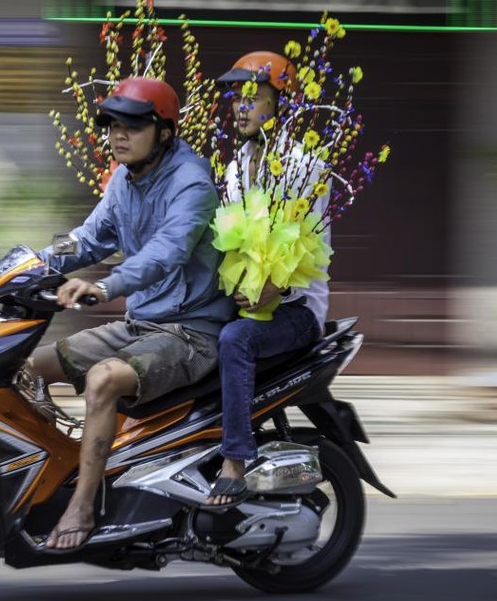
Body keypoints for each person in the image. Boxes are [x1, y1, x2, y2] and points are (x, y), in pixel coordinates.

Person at [29, 76, 235, 550]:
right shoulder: (124, 179)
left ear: (164, 131)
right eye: (112, 124)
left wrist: (103, 285)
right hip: (141, 324)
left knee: (102, 380)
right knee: (25, 366)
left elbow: (166, 252)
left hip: (191, 331)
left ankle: (81, 505)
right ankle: (62, 473)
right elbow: (87, 236)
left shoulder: (192, 184)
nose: (118, 134)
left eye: (133, 125)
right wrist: (30, 265)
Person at [206, 51, 332, 506]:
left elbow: (306, 250)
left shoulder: (303, 166)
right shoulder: (240, 164)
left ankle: (234, 461)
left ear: (283, 106)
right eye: (237, 98)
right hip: (251, 299)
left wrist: (267, 289)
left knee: (235, 340)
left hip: (296, 311)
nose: (240, 107)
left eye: (253, 98)